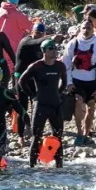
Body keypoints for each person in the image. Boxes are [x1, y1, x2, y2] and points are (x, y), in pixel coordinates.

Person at [19, 39, 67, 167]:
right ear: (44, 51)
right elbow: (21, 82)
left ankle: (59, 167)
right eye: (51, 48)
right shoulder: (36, 66)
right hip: (41, 106)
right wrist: (33, 96)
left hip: (56, 106)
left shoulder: (60, 66)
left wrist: (57, 94)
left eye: (55, 48)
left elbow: (64, 83)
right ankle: (32, 166)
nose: (54, 50)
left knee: (58, 137)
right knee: (36, 137)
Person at [63, 18, 96, 147]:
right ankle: (79, 132)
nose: (86, 30)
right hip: (76, 81)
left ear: (93, 30)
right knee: (78, 101)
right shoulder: (72, 44)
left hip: (92, 82)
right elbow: (66, 65)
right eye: (84, 28)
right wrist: (69, 83)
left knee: (91, 106)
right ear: (80, 29)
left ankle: (86, 134)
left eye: (89, 28)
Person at [13, 22, 48, 146]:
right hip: (21, 78)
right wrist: (48, 38)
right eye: (36, 33)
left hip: (33, 78)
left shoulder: (41, 45)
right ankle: (20, 136)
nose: (38, 35)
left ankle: (35, 133)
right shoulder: (26, 41)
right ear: (31, 32)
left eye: (41, 33)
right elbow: (35, 42)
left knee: (36, 106)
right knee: (22, 106)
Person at [0, 0, 32, 68]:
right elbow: (30, 27)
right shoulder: (18, 15)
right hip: (11, 48)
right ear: (17, 3)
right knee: (10, 66)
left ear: (7, 0)